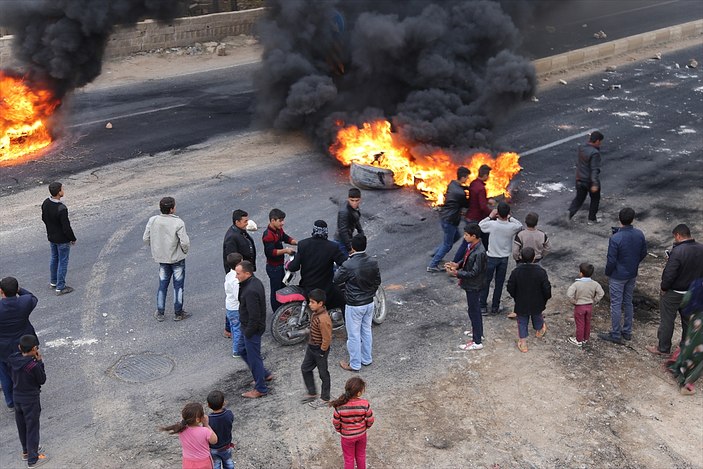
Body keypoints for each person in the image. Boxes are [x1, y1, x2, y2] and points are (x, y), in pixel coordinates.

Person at [648, 224, 703, 356]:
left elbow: (669, 274)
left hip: (674, 293)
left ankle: (663, 348)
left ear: (678, 235)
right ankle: (684, 346)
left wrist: (663, 288)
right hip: (692, 292)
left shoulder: (678, 252)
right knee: (687, 321)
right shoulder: (701, 249)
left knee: (667, 320)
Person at [598, 208, 647, 345]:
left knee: (616, 304)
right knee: (628, 302)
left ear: (619, 219)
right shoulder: (639, 234)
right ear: (632, 219)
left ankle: (615, 333)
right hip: (632, 273)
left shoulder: (615, 238)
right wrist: (634, 263)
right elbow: (644, 252)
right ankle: (627, 331)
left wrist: (608, 272)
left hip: (618, 275)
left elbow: (611, 260)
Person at [335, 235, 381, 372]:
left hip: (354, 304)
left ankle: (355, 364)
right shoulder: (373, 262)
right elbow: (377, 282)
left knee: (354, 335)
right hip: (369, 302)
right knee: (366, 331)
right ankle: (367, 358)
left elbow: (337, 279)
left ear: (352, 247)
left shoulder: (349, 264)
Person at [143, 196, 191, 322]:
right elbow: (184, 242)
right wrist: (184, 251)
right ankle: (178, 312)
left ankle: (160, 312)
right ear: (171, 209)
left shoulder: (153, 220)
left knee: (162, 285)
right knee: (178, 286)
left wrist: (156, 249)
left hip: (162, 259)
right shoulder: (178, 223)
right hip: (177, 259)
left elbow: (146, 238)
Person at [287, 220, 347, 309]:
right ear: (326, 231)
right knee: (343, 302)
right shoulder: (332, 247)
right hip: (326, 289)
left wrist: (288, 264)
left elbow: (294, 267)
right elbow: (344, 263)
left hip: (307, 287)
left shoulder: (303, 244)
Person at [446, 223, 487, 351]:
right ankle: (477, 333)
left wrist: (456, 273)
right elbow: (466, 260)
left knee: (474, 311)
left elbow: (475, 272)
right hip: (472, 284)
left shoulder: (480, 252)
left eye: (466, 235)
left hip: (474, 285)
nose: (464, 237)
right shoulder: (473, 246)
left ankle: (477, 341)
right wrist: (457, 265)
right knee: (474, 310)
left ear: (473, 236)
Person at [0, 277, 38, 413]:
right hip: (23, 343)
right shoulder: (25, 302)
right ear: (16, 290)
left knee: (4, 374)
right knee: (26, 370)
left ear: (1, 291)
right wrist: (19, 289)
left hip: (3, 347)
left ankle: (11, 401)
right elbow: (32, 297)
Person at [236, 261, 274, 398]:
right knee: (241, 350)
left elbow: (254, 316)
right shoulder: (253, 282)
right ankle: (264, 374)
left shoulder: (250, 290)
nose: (236, 276)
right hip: (248, 327)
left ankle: (261, 388)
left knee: (254, 358)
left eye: (238, 274)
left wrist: (248, 333)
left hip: (251, 329)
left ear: (247, 273)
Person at [478, 202, 523, 315]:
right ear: (508, 213)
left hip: (491, 257)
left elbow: (480, 225)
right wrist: (510, 217)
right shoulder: (512, 226)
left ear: (497, 213)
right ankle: (495, 307)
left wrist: (490, 216)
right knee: (499, 283)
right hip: (503, 258)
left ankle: (482, 306)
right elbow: (520, 225)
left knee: (486, 282)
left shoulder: (492, 225)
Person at [9, 335, 47, 468]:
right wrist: (40, 362)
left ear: (20, 348)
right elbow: (42, 379)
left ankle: (26, 451)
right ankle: (33, 459)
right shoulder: (33, 365)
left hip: (17, 397)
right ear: (33, 349)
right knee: (32, 427)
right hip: (30, 400)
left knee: (22, 426)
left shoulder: (13, 359)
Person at [506, 247, 551, 353]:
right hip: (537, 301)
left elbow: (510, 287)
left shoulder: (516, 271)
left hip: (521, 301)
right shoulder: (541, 272)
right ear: (534, 257)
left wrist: (516, 296)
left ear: (521, 257)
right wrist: (546, 298)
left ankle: (523, 343)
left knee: (522, 321)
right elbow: (546, 288)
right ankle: (539, 331)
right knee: (537, 315)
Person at [427, 166, 470, 273]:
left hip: (445, 217)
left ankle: (436, 252)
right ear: (463, 177)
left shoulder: (452, 184)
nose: (467, 180)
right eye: (467, 178)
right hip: (450, 220)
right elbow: (466, 204)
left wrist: (466, 189)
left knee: (457, 236)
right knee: (448, 245)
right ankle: (432, 265)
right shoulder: (460, 193)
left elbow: (460, 191)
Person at [222, 209, 257, 338]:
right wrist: (240, 274)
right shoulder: (232, 237)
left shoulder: (240, 232)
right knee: (238, 299)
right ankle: (229, 328)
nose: (247, 223)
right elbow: (232, 258)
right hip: (241, 273)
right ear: (237, 222)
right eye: (245, 221)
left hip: (245, 270)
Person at [667, 278, 703, 395]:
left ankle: (678, 368)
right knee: (698, 355)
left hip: (695, 319)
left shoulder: (698, 283)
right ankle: (686, 383)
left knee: (688, 345)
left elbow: (685, 301)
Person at [41, 181, 77, 295]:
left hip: (51, 237)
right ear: (59, 192)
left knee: (54, 258)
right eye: (62, 189)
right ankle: (60, 287)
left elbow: (43, 218)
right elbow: (66, 227)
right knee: (63, 261)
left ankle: (53, 281)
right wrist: (72, 238)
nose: (63, 191)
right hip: (62, 240)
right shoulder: (61, 208)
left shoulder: (46, 203)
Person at [331, 376, 375, 469]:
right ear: (359, 393)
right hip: (361, 435)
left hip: (347, 437)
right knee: (361, 456)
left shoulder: (339, 406)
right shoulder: (365, 404)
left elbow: (336, 422)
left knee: (349, 459)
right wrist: (365, 427)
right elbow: (370, 420)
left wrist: (340, 430)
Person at [301, 289, 332, 408]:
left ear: (320, 303)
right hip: (311, 347)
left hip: (320, 350)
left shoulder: (323, 319)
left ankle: (325, 398)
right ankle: (312, 393)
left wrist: (322, 351)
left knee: (323, 374)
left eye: (313, 302)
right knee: (305, 368)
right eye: (310, 302)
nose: (310, 304)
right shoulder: (315, 314)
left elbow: (327, 338)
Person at [161, 402, 217, 469]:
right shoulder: (205, 431)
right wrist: (206, 424)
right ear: (198, 419)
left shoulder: (181, 429)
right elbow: (214, 440)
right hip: (203, 462)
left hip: (188, 462)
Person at [262, 208, 297, 312]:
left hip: (279, 266)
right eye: (280, 221)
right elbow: (270, 252)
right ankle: (277, 312)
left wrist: (295, 242)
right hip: (273, 268)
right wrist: (285, 251)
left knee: (283, 288)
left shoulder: (278, 230)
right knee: (276, 291)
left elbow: (285, 237)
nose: (282, 223)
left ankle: (283, 309)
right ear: (273, 220)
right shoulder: (268, 235)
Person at [567, 130, 604, 224]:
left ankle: (570, 213)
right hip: (589, 181)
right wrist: (595, 183)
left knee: (579, 199)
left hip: (579, 179)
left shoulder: (581, 147)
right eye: (600, 141)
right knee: (595, 199)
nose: (601, 144)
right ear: (597, 141)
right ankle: (592, 219)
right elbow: (594, 169)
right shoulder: (595, 153)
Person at [566, 263, 605, 346]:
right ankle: (585, 339)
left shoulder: (576, 284)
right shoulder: (595, 284)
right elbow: (601, 293)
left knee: (580, 323)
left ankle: (578, 340)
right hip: (589, 306)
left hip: (580, 307)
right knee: (587, 322)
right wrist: (594, 300)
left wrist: (573, 301)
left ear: (581, 273)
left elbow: (569, 294)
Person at [206, 390, 235, 469]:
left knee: (216, 464)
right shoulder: (229, 414)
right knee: (228, 462)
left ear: (208, 405)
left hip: (213, 447)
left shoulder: (208, 419)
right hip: (226, 445)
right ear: (224, 403)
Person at [334, 188, 364, 258]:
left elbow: (355, 219)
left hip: (347, 239)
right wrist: (349, 248)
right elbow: (343, 231)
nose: (354, 203)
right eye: (352, 200)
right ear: (348, 199)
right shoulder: (344, 212)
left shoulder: (354, 208)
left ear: (360, 199)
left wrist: (361, 232)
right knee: (344, 264)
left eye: (357, 201)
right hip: (341, 241)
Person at [224, 253, 243, 358]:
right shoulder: (235, 280)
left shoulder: (229, 275)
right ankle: (237, 350)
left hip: (229, 306)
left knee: (234, 327)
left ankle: (237, 347)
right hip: (236, 308)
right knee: (238, 329)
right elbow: (238, 296)